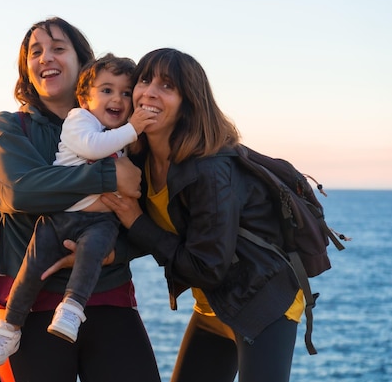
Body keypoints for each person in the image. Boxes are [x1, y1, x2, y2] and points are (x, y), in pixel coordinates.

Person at [0, 18, 161, 382]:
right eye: (35, 52)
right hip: (27, 309)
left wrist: (114, 251)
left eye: (57, 48)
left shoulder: (123, 133)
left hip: (107, 295)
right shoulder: (8, 127)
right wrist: (109, 175)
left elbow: (150, 216)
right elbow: (20, 191)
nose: (45, 58)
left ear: (83, 62)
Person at [101, 48, 304, 382]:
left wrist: (136, 221)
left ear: (188, 103)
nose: (149, 91)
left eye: (167, 86)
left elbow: (206, 266)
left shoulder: (210, 170)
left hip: (263, 303)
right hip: (213, 304)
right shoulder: (140, 160)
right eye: (145, 80)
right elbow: (154, 230)